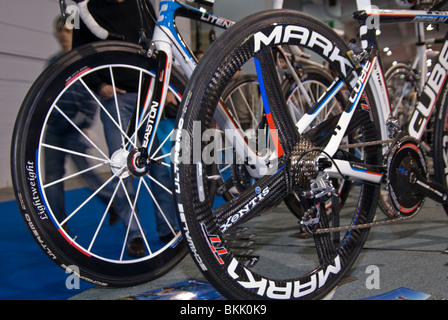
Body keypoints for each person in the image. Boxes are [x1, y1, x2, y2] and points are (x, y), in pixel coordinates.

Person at [72, 0, 178, 257]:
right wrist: (99, 85)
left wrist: (170, 86)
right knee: (123, 170)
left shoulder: (140, 3)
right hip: (116, 99)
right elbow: (76, 55)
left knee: (159, 166)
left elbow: (160, 41)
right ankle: (134, 235)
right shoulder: (86, 9)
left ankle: (168, 228)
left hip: (149, 95)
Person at [45, 17, 120, 232]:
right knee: (52, 176)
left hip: (75, 128)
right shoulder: (52, 63)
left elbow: (90, 96)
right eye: (59, 31)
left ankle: (111, 202)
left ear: (73, 34)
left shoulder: (81, 61)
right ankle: (58, 225)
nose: (62, 35)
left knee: (86, 173)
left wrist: (85, 123)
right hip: (53, 129)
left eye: (67, 31)